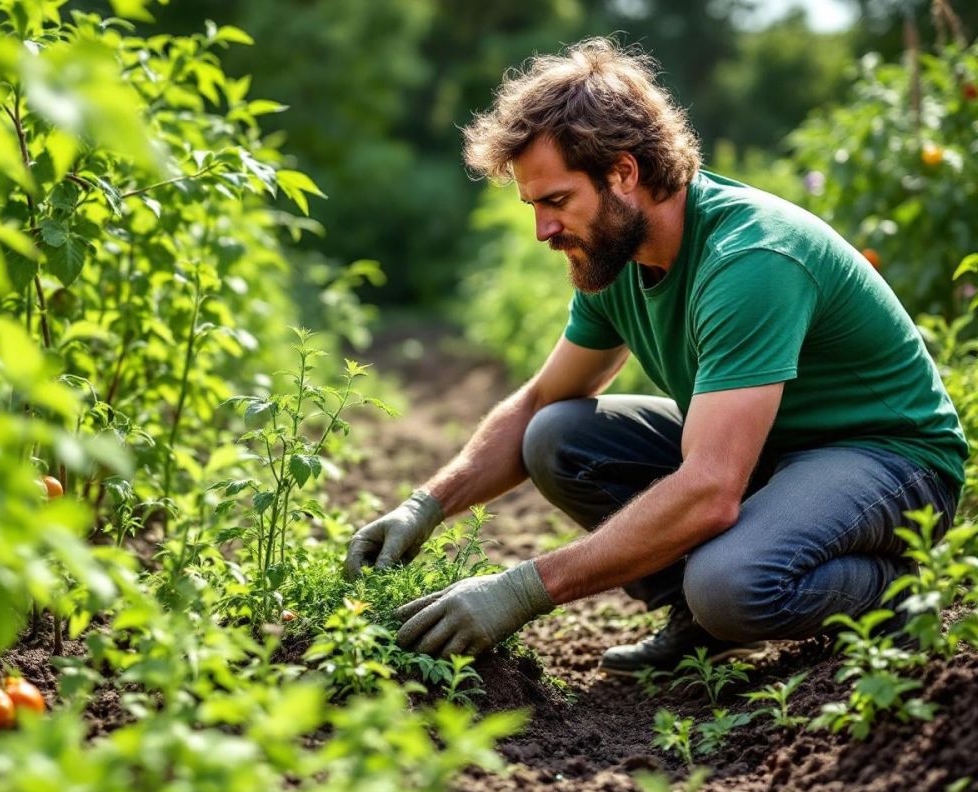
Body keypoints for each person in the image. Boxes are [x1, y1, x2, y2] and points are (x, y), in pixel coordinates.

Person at [342, 38, 967, 674]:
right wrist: (425, 506)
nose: (544, 231)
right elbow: (538, 399)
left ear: (623, 172)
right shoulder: (614, 256)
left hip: (887, 460)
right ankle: (701, 628)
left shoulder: (750, 259)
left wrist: (522, 590)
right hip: (770, 455)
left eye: (557, 201)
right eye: (534, 207)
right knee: (555, 434)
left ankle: (898, 596)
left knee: (732, 584)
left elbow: (712, 489)